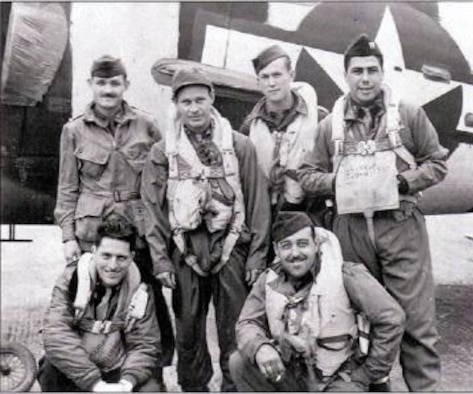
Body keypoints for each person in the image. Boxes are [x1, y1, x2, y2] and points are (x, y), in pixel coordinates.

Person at [299, 34, 448, 391]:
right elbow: (306, 174)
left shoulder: (408, 116)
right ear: (346, 76)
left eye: (372, 70)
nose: (365, 78)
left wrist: (402, 182)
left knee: (416, 325)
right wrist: (340, 181)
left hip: (399, 227)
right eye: (357, 71)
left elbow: (437, 164)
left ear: (382, 74)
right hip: (350, 230)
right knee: (360, 322)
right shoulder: (330, 126)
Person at [141, 65, 271, 391]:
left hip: (232, 247)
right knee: (188, 333)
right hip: (185, 251)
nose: (194, 108)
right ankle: (194, 388)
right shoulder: (163, 152)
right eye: (186, 102)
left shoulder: (239, 146)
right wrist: (160, 259)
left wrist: (256, 257)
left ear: (212, 98)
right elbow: (153, 209)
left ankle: (234, 388)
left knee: (235, 330)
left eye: (200, 99)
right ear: (176, 105)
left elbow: (257, 203)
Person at [53, 55, 175, 383]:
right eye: (102, 83)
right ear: (91, 85)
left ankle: (151, 377)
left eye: (114, 83)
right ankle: (89, 377)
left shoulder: (146, 125)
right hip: (93, 236)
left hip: (137, 233)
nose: (108, 89)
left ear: (125, 86)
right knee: (89, 305)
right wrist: (67, 237)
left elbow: (162, 183)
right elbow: (67, 188)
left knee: (149, 307)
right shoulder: (74, 130)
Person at [229, 211, 405, 392]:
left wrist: (367, 373)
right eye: (286, 246)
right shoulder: (268, 280)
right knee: (240, 363)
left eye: (302, 244)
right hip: (292, 371)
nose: (295, 253)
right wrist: (260, 347)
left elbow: (392, 318)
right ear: (276, 249)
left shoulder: (345, 275)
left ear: (316, 244)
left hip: (339, 376)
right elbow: (247, 323)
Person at [39, 216, 161, 392]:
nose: (112, 265)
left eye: (121, 258)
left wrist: (127, 382)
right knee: (50, 369)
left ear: (131, 257)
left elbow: (145, 344)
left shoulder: (140, 289)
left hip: (116, 365)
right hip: (77, 365)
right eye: (106, 256)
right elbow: (56, 335)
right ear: (94, 251)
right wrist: (94, 383)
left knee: (151, 389)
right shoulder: (71, 279)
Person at [239, 45, 319, 219]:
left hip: (307, 212)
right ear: (258, 81)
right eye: (265, 77)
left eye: (277, 75)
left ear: (291, 75)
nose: (272, 83)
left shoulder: (318, 118)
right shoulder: (249, 128)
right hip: (264, 213)